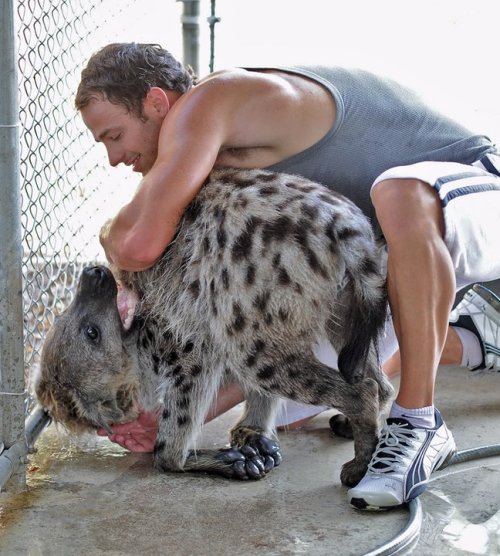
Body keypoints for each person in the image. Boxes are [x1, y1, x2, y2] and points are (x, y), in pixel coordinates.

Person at [75, 42, 500, 510]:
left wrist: (108, 232)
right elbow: (244, 337)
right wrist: (156, 422)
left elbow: (137, 245)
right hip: (390, 256)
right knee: (292, 400)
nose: (114, 158)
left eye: (113, 136)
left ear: (157, 102)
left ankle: (418, 422)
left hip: (473, 186)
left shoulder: (205, 106)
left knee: (398, 193)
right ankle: (478, 336)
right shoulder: (195, 143)